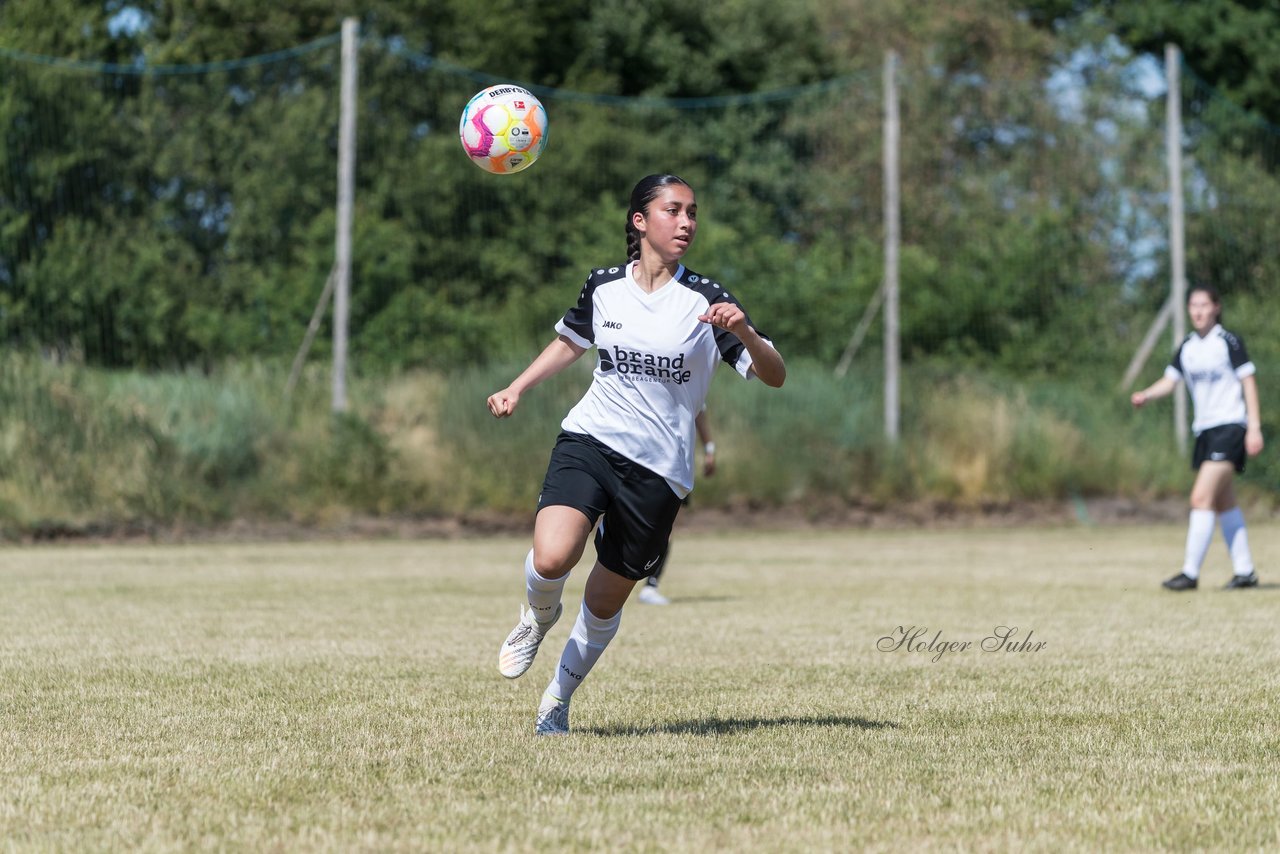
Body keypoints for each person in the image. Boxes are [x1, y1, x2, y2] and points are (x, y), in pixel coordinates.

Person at [487, 173, 786, 735]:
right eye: (674, 210)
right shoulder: (604, 286)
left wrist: (745, 333)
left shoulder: (709, 300)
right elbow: (571, 341)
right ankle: (537, 614)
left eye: (693, 212)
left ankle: (556, 699)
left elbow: (774, 375)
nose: (687, 222)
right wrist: (517, 387)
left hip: (659, 472)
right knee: (552, 557)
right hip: (591, 439)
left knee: (603, 601)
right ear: (640, 221)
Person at [1131, 284, 1264, 591]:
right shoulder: (1187, 346)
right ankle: (1245, 572)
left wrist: (1253, 426)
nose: (1198, 311)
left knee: (1200, 498)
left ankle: (1190, 573)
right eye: (1193, 306)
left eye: (1204, 305)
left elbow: (1248, 381)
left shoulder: (1228, 342)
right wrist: (1146, 395)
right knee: (1224, 501)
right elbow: (1170, 380)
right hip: (1205, 431)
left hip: (1230, 427)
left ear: (1216, 307)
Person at [637, 405, 716, 606]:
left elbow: (699, 411)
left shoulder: (690, 377)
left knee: (666, 528)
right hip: (637, 456)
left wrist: (709, 447)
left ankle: (651, 585)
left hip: (674, 464)